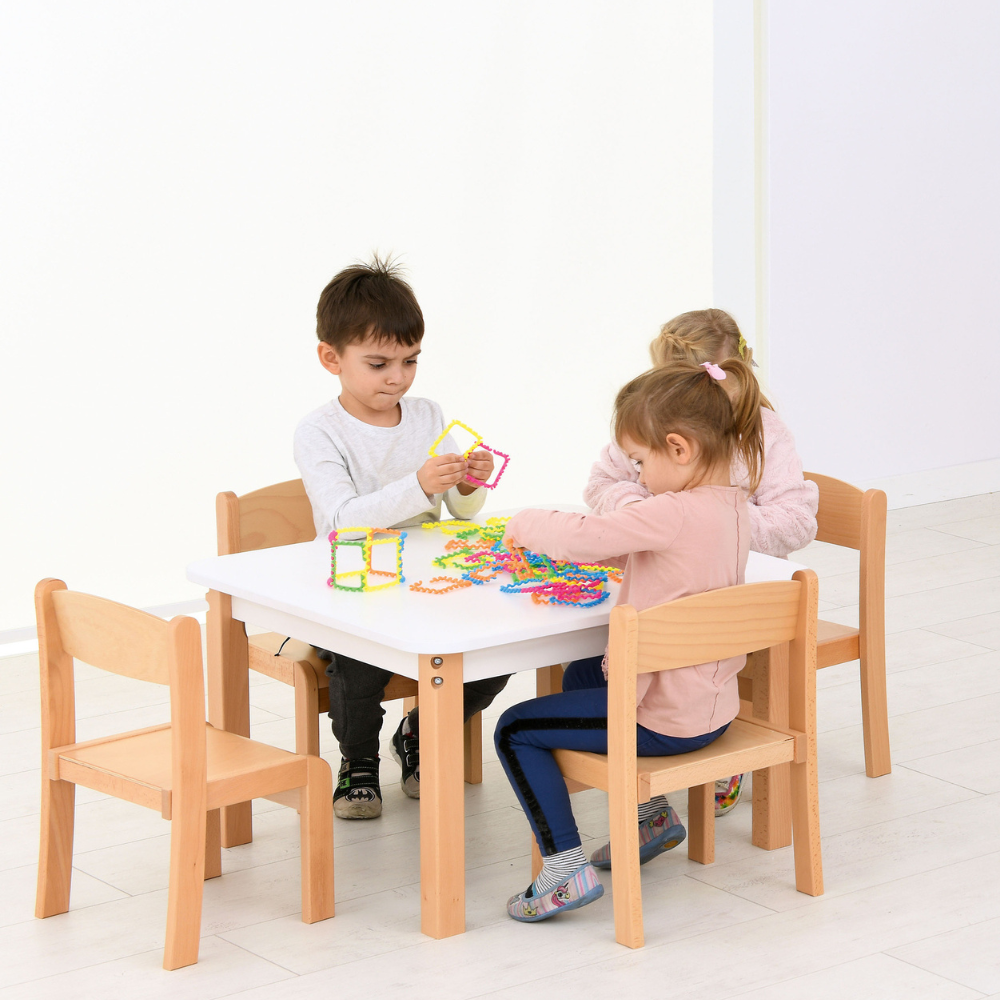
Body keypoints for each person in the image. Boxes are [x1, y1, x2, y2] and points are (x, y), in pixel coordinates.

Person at [494, 358, 764, 922]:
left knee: (516, 727)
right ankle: (653, 817)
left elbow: (590, 535)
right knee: (583, 674)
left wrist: (526, 522)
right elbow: (664, 556)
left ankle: (563, 868)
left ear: (679, 448)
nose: (638, 477)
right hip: (712, 707)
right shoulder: (734, 508)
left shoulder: (668, 511)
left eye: (641, 462)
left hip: (662, 718)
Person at [294, 255, 509, 819]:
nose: (398, 377)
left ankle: (417, 732)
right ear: (331, 358)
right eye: (379, 363)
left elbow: (457, 513)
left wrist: (467, 483)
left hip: (427, 581)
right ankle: (357, 761)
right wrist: (417, 484)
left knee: (501, 644)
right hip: (351, 586)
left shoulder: (426, 414)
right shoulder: (320, 431)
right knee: (357, 662)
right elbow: (342, 521)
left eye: (410, 361)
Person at [585, 309, 817, 816]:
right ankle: (641, 763)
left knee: (685, 653)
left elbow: (797, 521)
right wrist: (642, 511)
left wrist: (709, 525)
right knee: (605, 648)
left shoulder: (764, 433)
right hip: (666, 586)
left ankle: (711, 741)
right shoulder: (653, 422)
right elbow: (601, 483)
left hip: (737, 592)